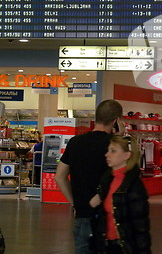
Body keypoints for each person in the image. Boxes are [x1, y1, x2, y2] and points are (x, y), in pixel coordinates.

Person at [55, 99, 124, 254]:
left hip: (83, 214)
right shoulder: (116, 146)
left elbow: (59, 176)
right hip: (110, 219)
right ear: (116, 121)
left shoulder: (75, 142)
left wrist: (75, 203)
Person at [89, 135, 151, 253]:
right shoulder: (107, 180)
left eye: (113, 151)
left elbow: (141, 227)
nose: (107, 154)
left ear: (126, 155)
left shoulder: (134, 186)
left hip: (123, 248)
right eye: (108, 150)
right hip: (105, 246)